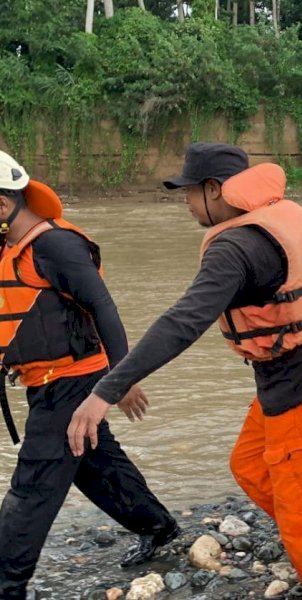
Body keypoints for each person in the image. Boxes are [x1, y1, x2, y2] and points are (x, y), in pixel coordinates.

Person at [66, 143, 302, 600]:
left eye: (189, 192)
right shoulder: (278, 214)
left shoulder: (236, 246)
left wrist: (105, 391)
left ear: (215, 190)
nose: (185, 202)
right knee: (249, 466)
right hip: (299, 373)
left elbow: (182, 322)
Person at [0, 151, 178, 599]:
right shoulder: (11, 247)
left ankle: (6, 583)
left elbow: (103, 307)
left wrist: (119, 380)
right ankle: (158, 527)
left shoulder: (55, 245)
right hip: (44, 382)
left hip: (74, 383)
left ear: (3, 206)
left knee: (34, 483)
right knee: (94, 465)